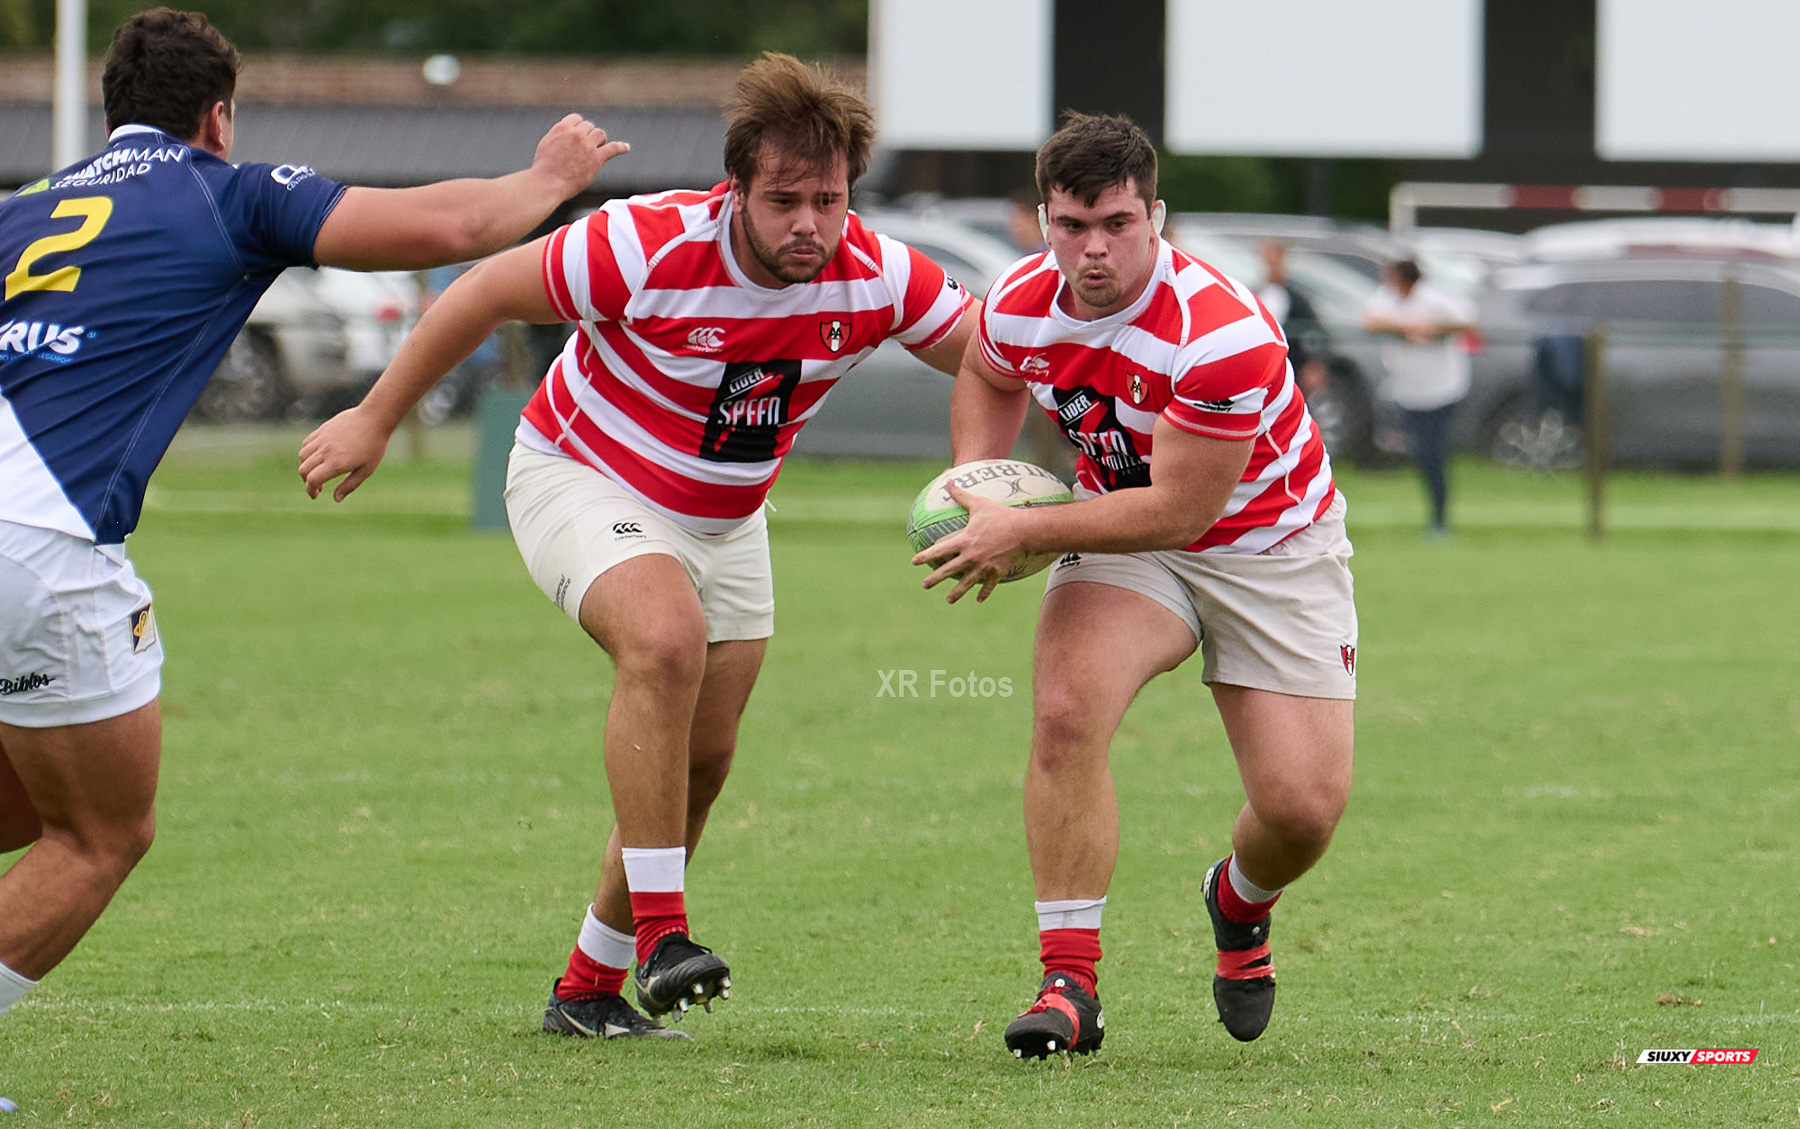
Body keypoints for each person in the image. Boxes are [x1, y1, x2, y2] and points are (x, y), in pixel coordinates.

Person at [298, 53, 977, 1041]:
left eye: (828, 200)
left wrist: (990, 472)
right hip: (581, 475)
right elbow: (482, 290)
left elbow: (997, 357)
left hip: (729, 517)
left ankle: (587, 988)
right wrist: (373, 417)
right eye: (783, 199)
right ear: (735, 187)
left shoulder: (876, 273)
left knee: (700, 762)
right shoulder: (642, 245)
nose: (809, 224)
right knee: (663, 640)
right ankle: (663, 934)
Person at [0, 7, 622, 1037]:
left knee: (28, 802)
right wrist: (549, 177)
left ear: (112, 112)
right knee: (102, 832)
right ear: (218, 116)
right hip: (43, 542)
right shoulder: (227, 193)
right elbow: (451, 229)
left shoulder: (24, 210)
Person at [913, 113, 1356, 1060]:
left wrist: (1022, 529)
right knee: (1065, 711)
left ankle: (1239, 899)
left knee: (1301, 811)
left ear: (1155, 217)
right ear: (1045, 221)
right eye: (1072, 225)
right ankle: (1068, 983)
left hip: (1269, 545)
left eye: (1117, 223)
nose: (1094, 248)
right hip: (1121, 533)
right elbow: (988, 370)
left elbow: (1181, 512)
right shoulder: (1021, 298)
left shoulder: (1219, 332)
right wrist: (973, 482)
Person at [1361, 260, 1479, 536]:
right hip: (1409, 390)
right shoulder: (1388, 298)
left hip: (1442, 389)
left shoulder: (1434, 298)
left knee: (1432, 452)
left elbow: (1470, 322)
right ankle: (1435, 516)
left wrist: (1434, 330)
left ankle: (1440, 518)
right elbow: (1368, 320)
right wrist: (1404, 327)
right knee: (1420, 453)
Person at [1256, 239, 1329, 397]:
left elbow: (1316, 331)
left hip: (1292, 366)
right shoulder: (1254, 295)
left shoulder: (1297, 299)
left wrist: (1314, 363)